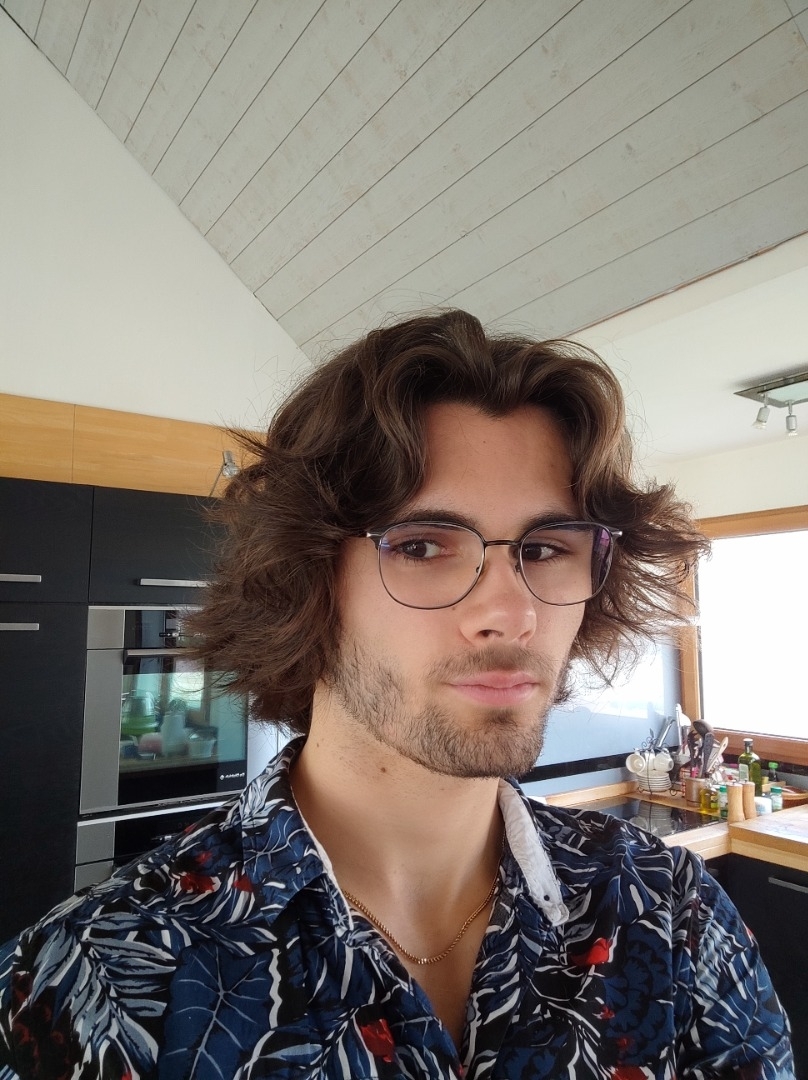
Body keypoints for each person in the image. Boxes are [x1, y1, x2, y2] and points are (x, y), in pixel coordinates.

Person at [0, 310, 794, 1078]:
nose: (512, 612)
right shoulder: (87, 980)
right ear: (309, 584)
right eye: (420, 546)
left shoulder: (670, 913)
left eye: (547, 548)